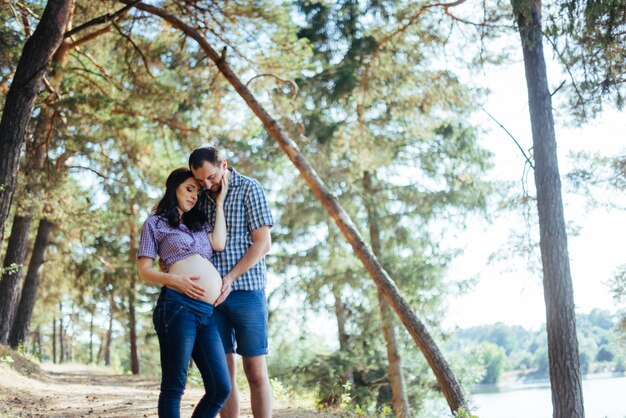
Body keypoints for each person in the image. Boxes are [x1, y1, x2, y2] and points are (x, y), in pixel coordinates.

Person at [137, 167, 231, 418]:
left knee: (221, 388)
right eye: (189, 189)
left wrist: (219, 202)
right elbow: (144, 271)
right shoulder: (154, 224)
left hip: (206, 313)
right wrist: (174, 281)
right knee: (174, 386)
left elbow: (219, 243)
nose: (193, 196)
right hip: (177, 307)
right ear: (173, 188)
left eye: (197, 192)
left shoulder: (199, 225)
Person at [189, 147, 274, 418]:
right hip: (211, 299)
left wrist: (230, 278)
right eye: (200, 180)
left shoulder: (250, 188)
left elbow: (263, 242)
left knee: (256, 371)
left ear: (224, 164)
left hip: (247, 292)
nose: (207, 185)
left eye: (211, 177)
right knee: (223, 377)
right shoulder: (200, 197)